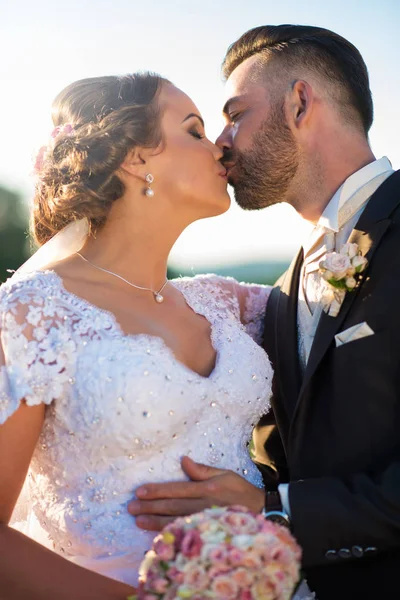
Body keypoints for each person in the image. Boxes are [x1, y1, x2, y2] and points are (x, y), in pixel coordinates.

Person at [129, 25, 400, 599]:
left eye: (236, 115)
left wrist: (273, 510)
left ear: (300, 103)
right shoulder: (278, 295)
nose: (222, 143)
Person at [0, 72, 275, 598]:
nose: (221, 145)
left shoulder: (226, 303)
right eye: (194, 130)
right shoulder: (33, 314)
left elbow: (342, 300)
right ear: (135, 158)